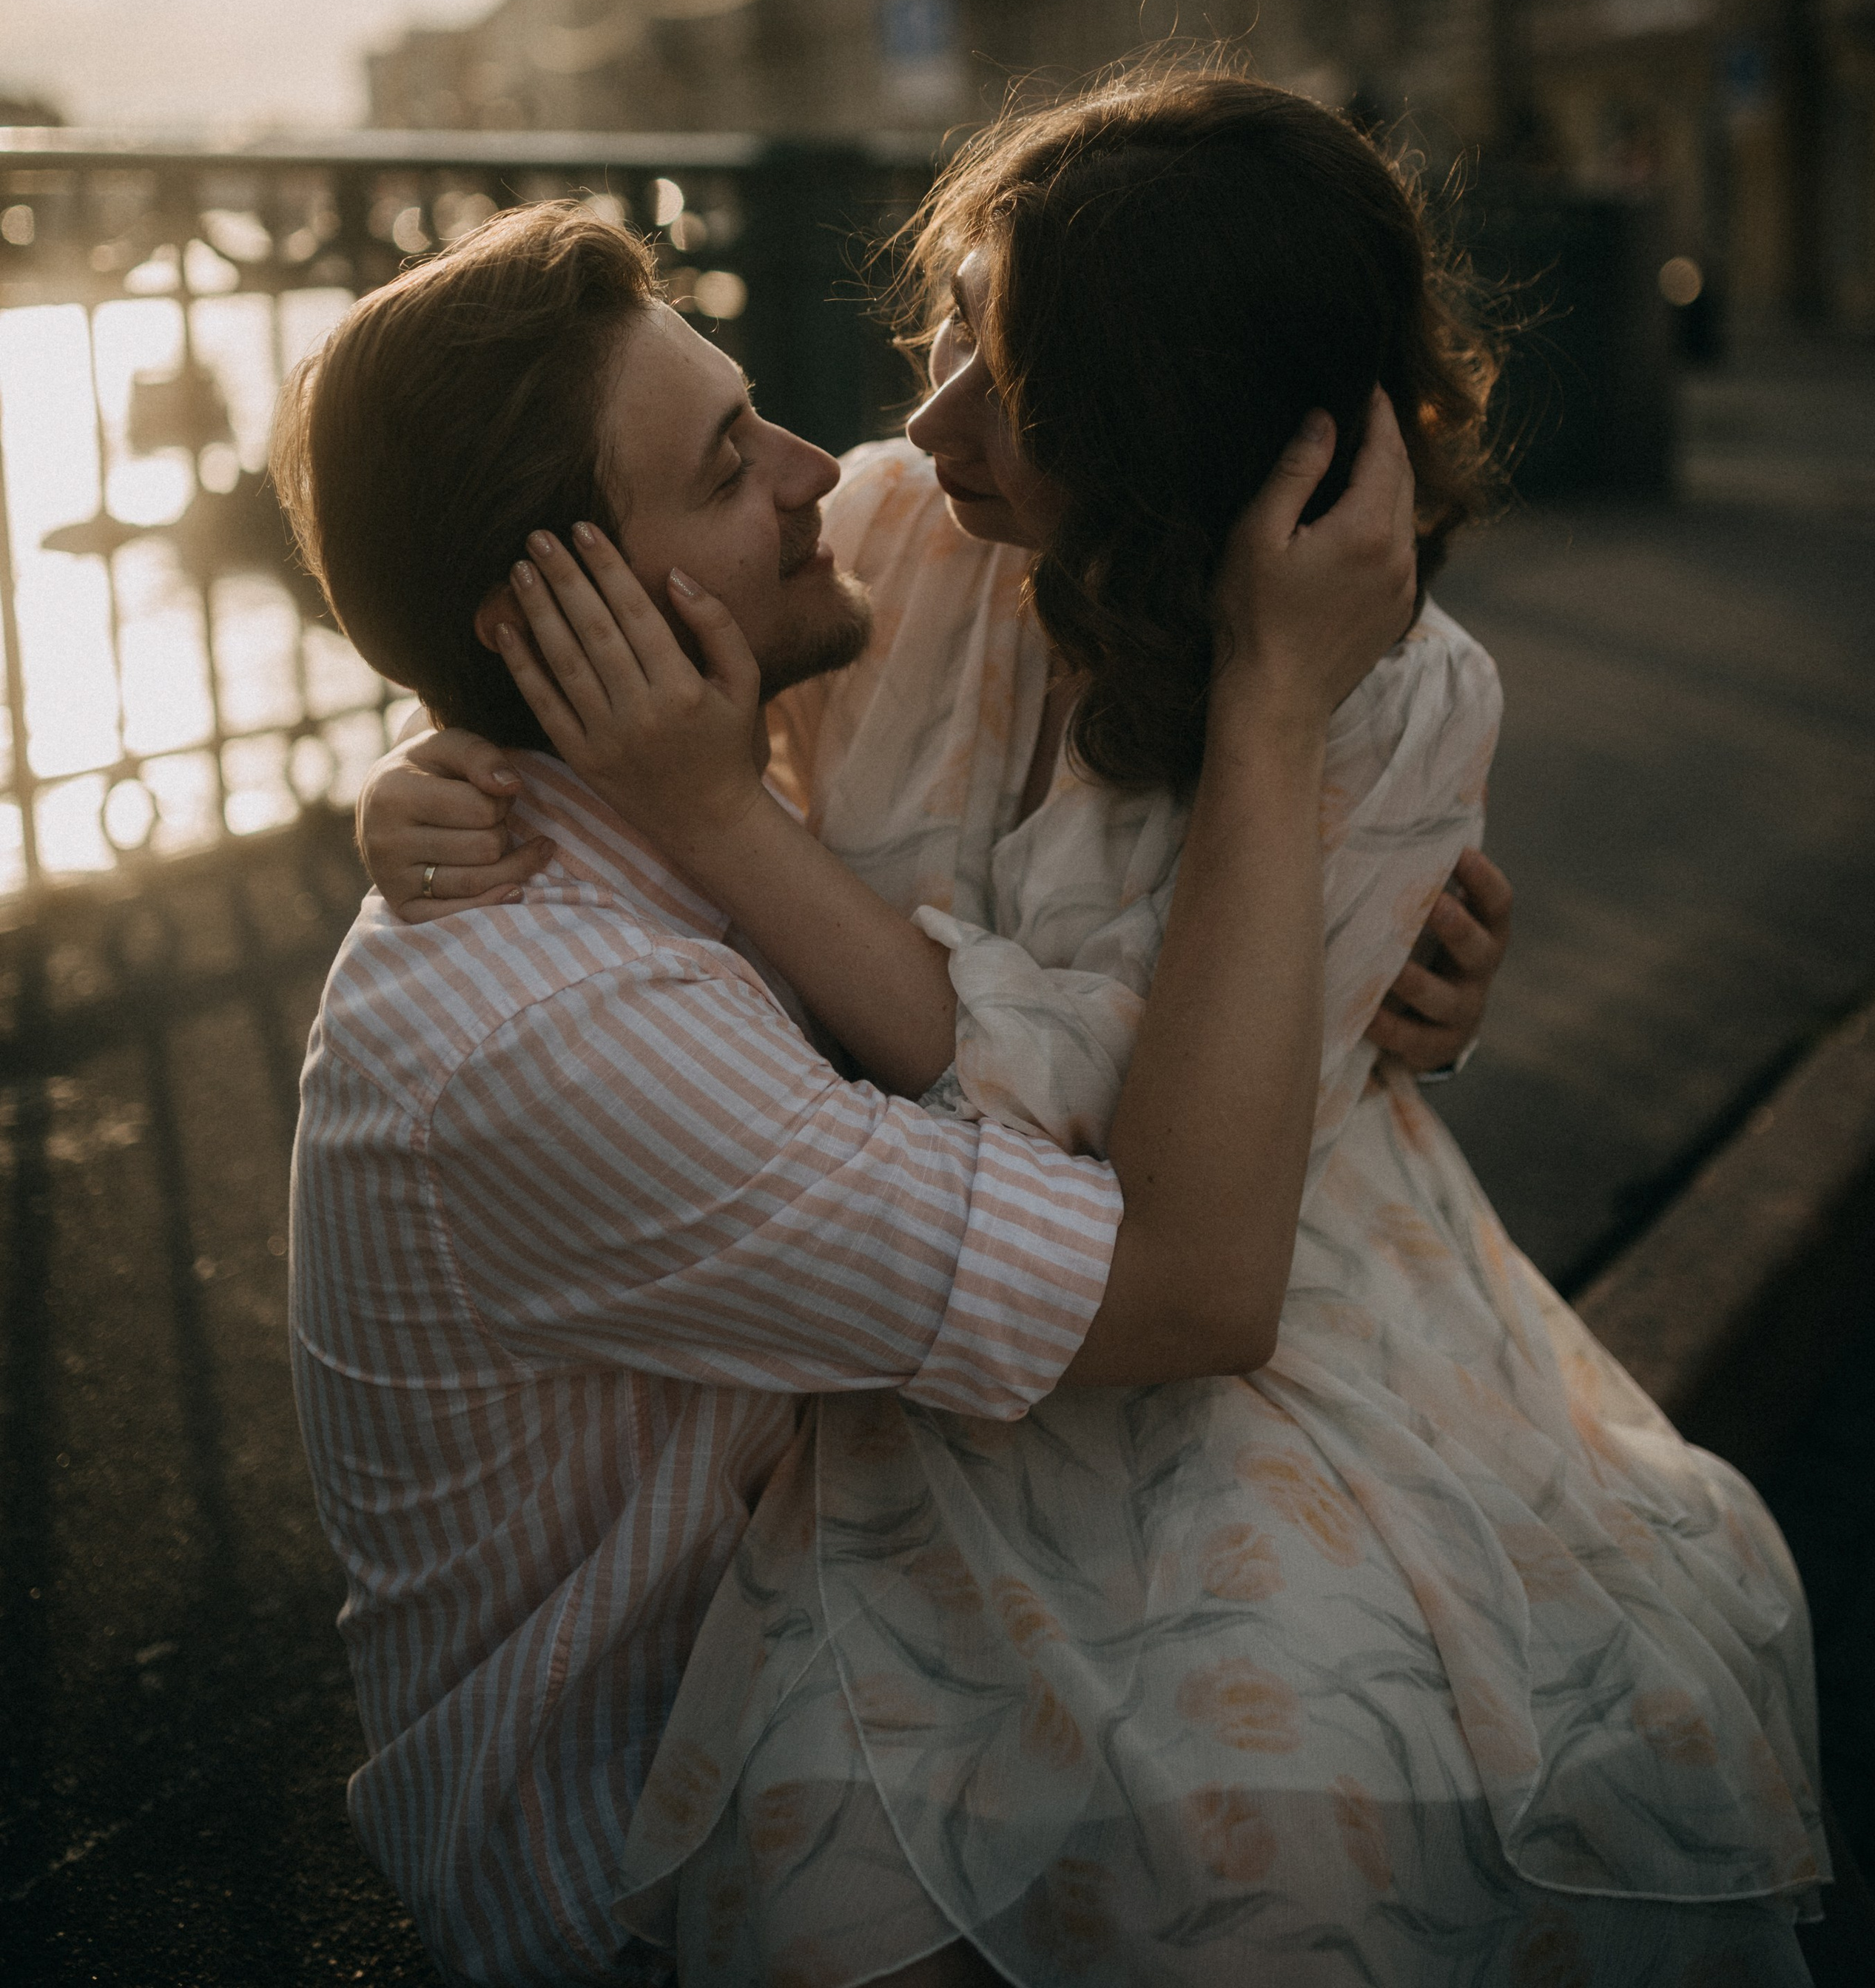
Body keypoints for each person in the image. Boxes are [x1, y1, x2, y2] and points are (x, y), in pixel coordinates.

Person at [362, 75, 1825, 1985]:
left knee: (1303, 1815)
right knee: (863, 1864)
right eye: (953, 330)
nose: (918, 419)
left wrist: (1269, 725)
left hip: (1264, 1312)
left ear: (1169, 425)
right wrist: (435, 756)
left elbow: (1162, 1203)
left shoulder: (1397, 704)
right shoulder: (902, 536)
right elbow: (619, 652)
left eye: (1016, 379)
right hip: (974, 1312)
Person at [274, 173, 1457, 1988]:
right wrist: (1278, 715)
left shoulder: (655, 843)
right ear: (570, 612)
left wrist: (1378, 938)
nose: (831, 464)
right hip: (641, 1859)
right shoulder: (571, 1028)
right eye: (731, 458)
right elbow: (1186, 1287)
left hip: (858, 1640)